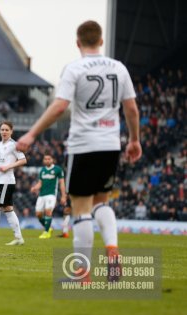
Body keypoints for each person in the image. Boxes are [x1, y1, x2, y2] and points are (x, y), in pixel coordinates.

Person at [16, 20, 141, 282]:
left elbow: (60, 106)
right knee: (102, 201)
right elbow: (130, 108)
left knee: (81, 208)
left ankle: (82, 272)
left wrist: (32, 133)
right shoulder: (119, 68)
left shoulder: (74, 68)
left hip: (83, 145)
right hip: (110, 145)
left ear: (77, 42)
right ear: (101, 41)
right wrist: (134, 140)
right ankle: (112, 249)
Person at [0, 121, 27, 245]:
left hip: (7, 182)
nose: (4, 132)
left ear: (11, 131)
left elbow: (23, 160)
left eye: (7, 130)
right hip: (0, 181)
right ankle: (19, 238)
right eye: (2, 129)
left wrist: (9, 166)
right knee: (8, 209)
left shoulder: (14, 145)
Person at [30, 154, 66, 239]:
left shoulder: (58, 169)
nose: (47, 160)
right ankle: (49, 228)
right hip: (42, 195)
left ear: (52, 160)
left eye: (49, 159)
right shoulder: (42, 170)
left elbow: (61, 183)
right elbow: (40, 183)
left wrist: (63, 196)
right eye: (45, 159)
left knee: (48, 211)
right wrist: (35, 188)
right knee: (38, 214)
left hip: (51, 194)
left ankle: (46, 232)